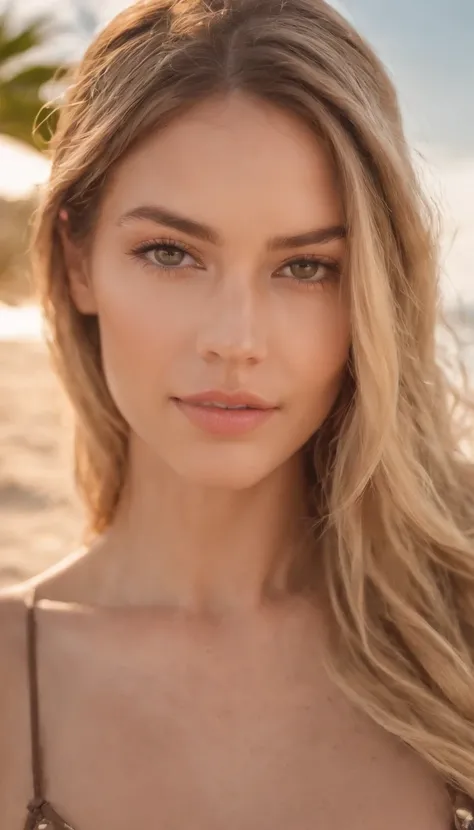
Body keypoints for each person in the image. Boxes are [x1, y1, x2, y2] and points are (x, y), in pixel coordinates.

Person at [0, 0, 473, 826]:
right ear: (79, 262)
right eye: (171, 254)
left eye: (306, 267)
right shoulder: (12, 674)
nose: (235, 340)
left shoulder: (455, 627)